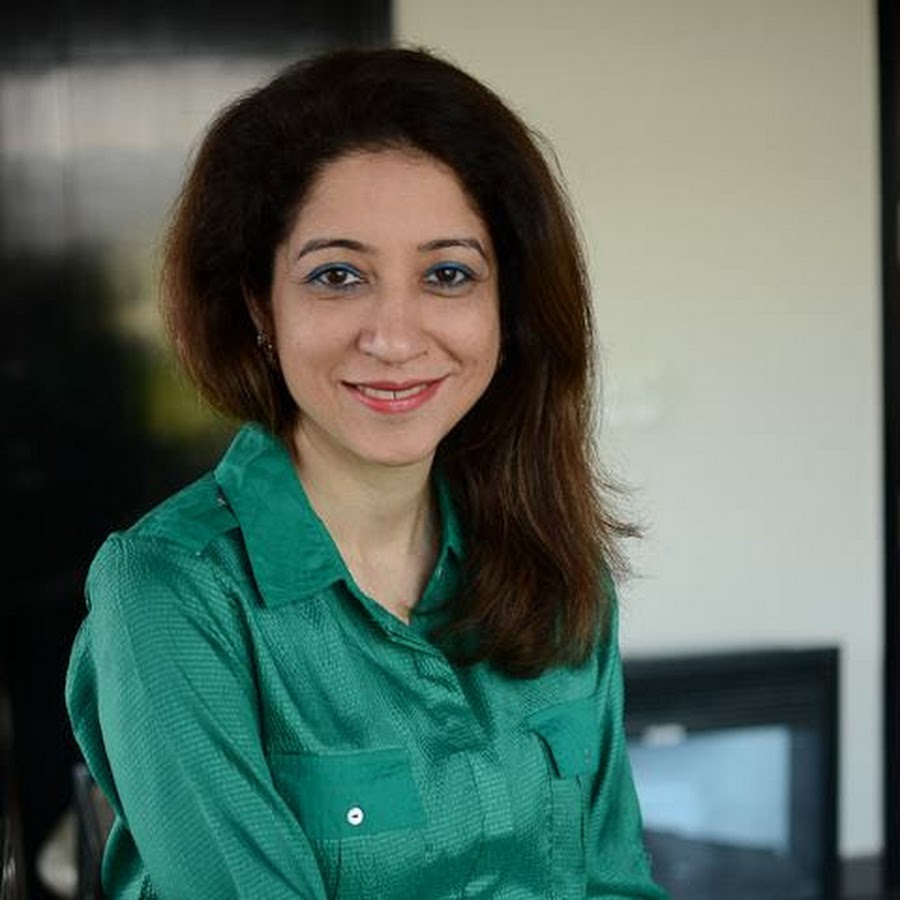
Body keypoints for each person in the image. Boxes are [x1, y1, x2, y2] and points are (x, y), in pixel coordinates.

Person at [65, 45, 668, 899]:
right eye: (338, 276)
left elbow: (615, 881)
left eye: (448, 274)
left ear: (507, 307)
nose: (393, 337)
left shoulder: (552, 551)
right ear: (260, 305)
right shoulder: (168, 593)